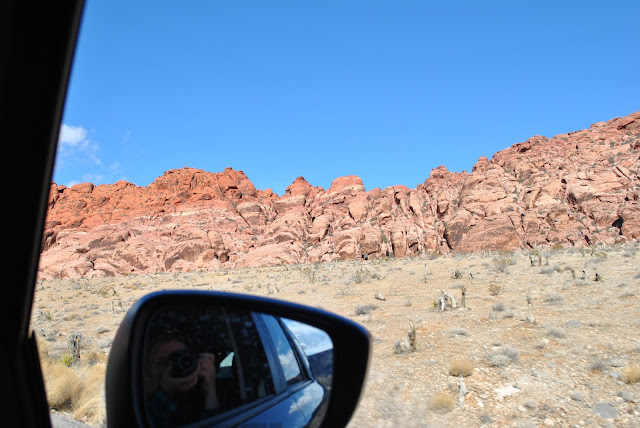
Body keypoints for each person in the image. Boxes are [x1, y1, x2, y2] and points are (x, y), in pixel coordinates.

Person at [144, 333, 220, 428]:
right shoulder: (140, 404)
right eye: (160, 362)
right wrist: (165, 391)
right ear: (145, 369)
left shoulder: (195, 400)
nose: (171, 367)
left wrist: (210, 389)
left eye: (181, 359)